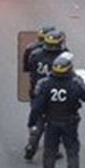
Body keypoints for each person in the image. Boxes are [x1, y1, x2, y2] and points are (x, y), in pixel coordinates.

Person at [23, 28, 68, 160]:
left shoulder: (35, 54)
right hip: (57, 93)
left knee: (38, 118)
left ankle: (32, 144)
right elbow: (68, 73)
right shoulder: (64, 56)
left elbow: (27, 68)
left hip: (37, 91)